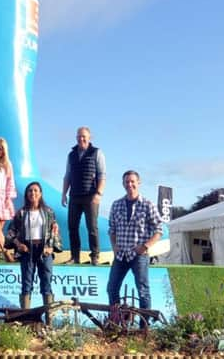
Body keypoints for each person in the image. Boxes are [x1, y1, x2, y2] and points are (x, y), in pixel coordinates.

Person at [107, 170, 163, 315]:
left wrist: (145, 246)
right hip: (120, 256)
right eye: (127, 182)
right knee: (112, 288)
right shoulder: (116, 205)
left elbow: (159, 230)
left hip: (139, 256)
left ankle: (143, 327)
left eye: (132, 181)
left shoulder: (147, 204)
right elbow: (112, 229)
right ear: (123, 184)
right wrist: (114, 247)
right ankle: (117, 320)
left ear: (138, 183)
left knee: (143, 291)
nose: (129, 184)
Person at [6, 182, 58, 310]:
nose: (32, 193)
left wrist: (50, 247)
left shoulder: (48, 212)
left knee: (46, 282)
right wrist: (19, 244)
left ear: (40, 194)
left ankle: (49, 319)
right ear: (26, 194)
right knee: (26, 283)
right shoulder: (21, 213)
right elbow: (10, 232)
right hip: (27, 250)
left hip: (44, 249)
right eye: (30, 191)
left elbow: (54, 231)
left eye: (35, 190)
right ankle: (26, 317)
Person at [61, 126, 106, 265]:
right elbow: (67, 176)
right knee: (72, 227)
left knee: (92, 227)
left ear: (89, 137)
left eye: (84, 136)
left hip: (91, 196)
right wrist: (64, 194)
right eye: (79, 136)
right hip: (74, 195)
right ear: (76, 138)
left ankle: (95, 256)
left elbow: (102, 175)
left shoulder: (97, 153)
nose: (81, 138)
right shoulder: (71, 155)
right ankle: (75, 257)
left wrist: (99, 193)